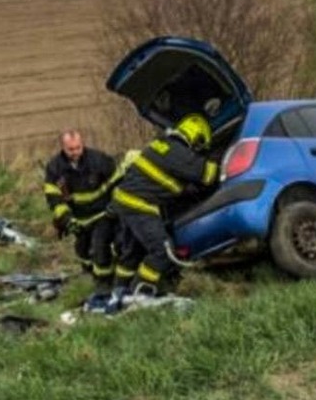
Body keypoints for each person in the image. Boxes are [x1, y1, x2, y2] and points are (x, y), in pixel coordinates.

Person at [106, 113, 219, 308]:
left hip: (124, 202)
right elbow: (209, 175)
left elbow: (168, 181)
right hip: (139, 205)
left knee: (132, 253)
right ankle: (140, 296)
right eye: (200, 144)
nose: (198, 149)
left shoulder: (160, 144)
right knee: (162, 252)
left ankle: (118, 293)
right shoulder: (181, 155)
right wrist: (219, 159)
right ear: (196, 138)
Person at [43, 130, 119, 310]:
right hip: (78, 218)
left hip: (102, 213)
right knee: (82, 249)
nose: (75, 152)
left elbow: (117, 182)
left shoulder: (99, 160)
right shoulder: (55, 167)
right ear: (63, 148)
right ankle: (89, 273)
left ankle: (104, 283)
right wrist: (67, 219)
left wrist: (116, 206)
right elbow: (54, 197)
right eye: (71, 149)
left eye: (78, 147)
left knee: (99, 246)